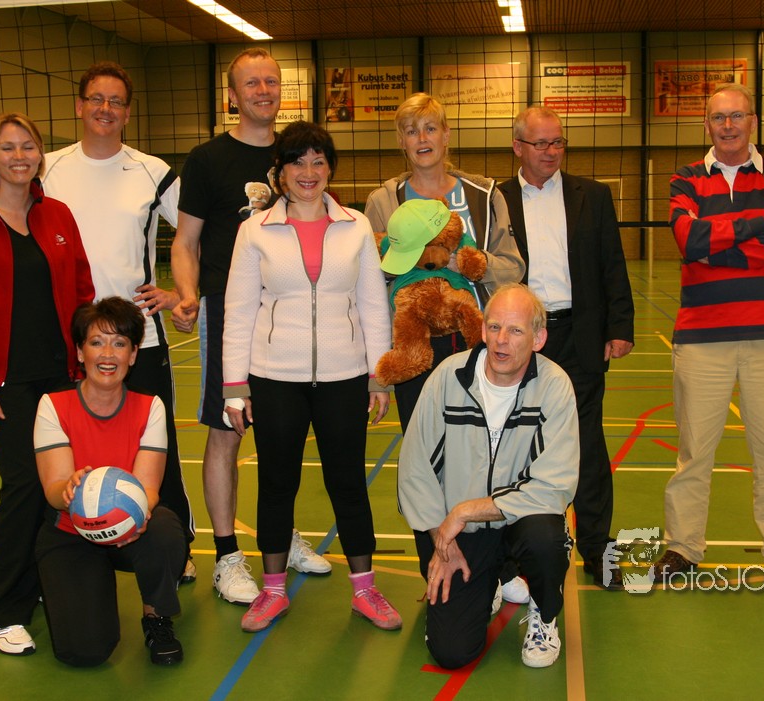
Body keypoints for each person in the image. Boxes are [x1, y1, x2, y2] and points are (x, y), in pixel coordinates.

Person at [222, 120, 401, 633]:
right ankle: (273, 591)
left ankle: (365, 590)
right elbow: (239, 310)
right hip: (274, 377)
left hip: (345, 377)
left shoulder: (356, 225)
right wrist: (235, 387)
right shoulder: (255, 230)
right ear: (279, 172)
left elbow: (373, 304)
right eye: (297, 161)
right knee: (277, 483)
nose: (308, 171)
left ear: (330, 169)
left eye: (318, 161)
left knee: (348, 483)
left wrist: (379, 374)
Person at [171, 48, 330, 605]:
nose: (263, 90)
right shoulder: (207, 160)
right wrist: (188, 294)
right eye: (251, 83)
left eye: (271, 81)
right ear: (232, 95)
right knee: (226, 431)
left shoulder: (298, 154)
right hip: (231, 313)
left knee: (282, 435)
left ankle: (280, 536)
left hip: (289, 313)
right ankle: (227, 556)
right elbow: (185, 242)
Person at [654, 83, 764, 593]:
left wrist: (719, 244)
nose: (728, 126)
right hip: (701, 337)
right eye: (718, 117)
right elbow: (689, 241)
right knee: (694, 453)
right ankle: (683, 546)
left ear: (753, 122)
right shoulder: (686, 177)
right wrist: (758, 223)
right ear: (706, 124)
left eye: (737, 116)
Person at [0, 113, 94, 655]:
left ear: (39, 154)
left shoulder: (57, 214)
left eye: (28, 146)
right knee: (25, 489)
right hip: (6, 383)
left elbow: (82, 290)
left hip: (61, 377)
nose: (19, 156)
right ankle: (3, 611)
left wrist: (86, 361)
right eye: (7, 148)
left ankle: (46, 586)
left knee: (61, 490)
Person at [41, 61, 196, 584]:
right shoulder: (47, 169)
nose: (105, 109)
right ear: (79, 106)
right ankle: (60, 556)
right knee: (61, 450)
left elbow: (196, 233)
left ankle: (176, 549)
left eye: (116, 101)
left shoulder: (153, 171)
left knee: (157, 447)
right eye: (96, 99)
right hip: (68, 339)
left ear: (128, 112)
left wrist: (181, 293)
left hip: (138, 339)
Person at [398, 283, 579, 669]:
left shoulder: (554, 386)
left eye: (516, 330)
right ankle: (492, 580)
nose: (501, 340)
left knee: (546, 537)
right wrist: (441, 539)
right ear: (481, 330)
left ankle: (544, 613)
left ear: (538, 338)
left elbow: (555, 485)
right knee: (451, 652)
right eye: (494, 327)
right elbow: (415, 469)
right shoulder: (448, 378)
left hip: (519, 521)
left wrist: (466, 510)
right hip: (459, 534)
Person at [498, 107, 635, 590]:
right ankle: (511, 555)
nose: (552, 151)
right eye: (541, 143)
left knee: (587, 446)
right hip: (520, 338)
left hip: (580, 334)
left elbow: (612, 262)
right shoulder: (496, 199)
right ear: (518, 147)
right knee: (513, 445)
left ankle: (598, 550)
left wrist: (620, 326)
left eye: (558, 142)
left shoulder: (592, 196)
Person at [34, 297, 186, 666]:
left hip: (130, 529)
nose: (107, 354)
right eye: (96, 342)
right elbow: (53, 490)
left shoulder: (150, 407)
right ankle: (73, 583)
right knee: (84, 652)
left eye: (119, 343)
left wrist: (136, 518)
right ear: (80, 352)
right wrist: (68, 489)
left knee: (165, 530)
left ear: (133, 355)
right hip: (71, 531)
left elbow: (148, 488)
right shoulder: (53, 405)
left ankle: (156, 617)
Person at [364, 92, 525, 432]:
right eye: (411, 131)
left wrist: (465, 263)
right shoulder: (383, 201)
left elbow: (514, 267)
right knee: (422, 446)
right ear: (401, 141)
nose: (422, 139)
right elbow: (369, 283)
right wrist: (407, 263)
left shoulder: (484, 196)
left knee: (477, 445)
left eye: (430, 129)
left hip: (475, 337)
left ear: (446, 135)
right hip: (414, 339)